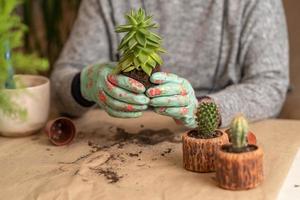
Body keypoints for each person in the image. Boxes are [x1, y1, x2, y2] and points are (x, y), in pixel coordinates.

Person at [51, 0, 289, 128]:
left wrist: (205, 110)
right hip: (116, 137)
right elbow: (60, 82)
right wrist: (85, 83)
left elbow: (270, 83)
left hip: (208, 137)